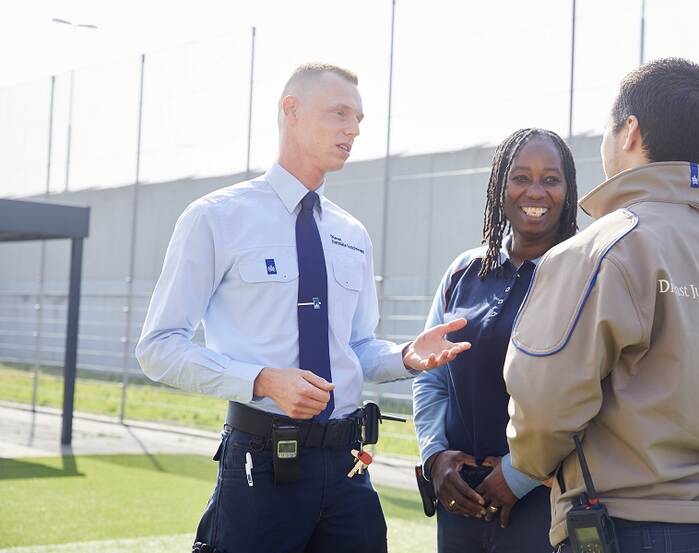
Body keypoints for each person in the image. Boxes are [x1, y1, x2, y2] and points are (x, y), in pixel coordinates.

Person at [136, 63, 471, 553]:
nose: (353, 129)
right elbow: (158, 348)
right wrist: (262, 380)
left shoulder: (351, 234)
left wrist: (404, 357)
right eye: (339, 113)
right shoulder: (216, 218)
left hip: (347, 469)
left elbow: (355, 347)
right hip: (260, 465)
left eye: (358, 118)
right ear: (290, 111)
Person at [503, 58, 699, 553]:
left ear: (630, 132)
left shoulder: (600, 251)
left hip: (629, 525)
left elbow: (543, 408)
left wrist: (536, 467)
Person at [413, 128, 579, 552]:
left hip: (543, 503)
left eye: (551, 179)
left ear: (569, 188)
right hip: (460, 498)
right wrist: (435, 458)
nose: (536, 192)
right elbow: (432, 378)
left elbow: (590, 396)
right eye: (521, 177)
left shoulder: (584, 275)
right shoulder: (463, 272)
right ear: (499, 187)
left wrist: (518, 475)